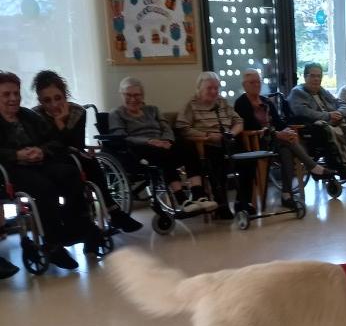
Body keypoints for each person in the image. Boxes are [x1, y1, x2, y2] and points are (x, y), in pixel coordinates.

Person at [0, 70, 103, 270]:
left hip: (40, 163)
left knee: (70, 173)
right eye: (6, 94)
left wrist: (42, 150)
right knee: (44, 187)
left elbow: (55, 141)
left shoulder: (28, 116)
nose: (13, 98)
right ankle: (53, 243)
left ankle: (75, 225)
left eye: (16, 93)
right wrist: (17, 155)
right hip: (12, 170)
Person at [31, 70, 142, 234]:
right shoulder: (34, 116)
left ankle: (111, 210)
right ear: (40, 101)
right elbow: (51, 147)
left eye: (58, 98)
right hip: (50, 161)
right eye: (47, 100)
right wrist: (59, 122)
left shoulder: (77, 112)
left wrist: (60, 125)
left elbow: (75, 144)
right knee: (78, 162)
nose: (54, 104)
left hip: (72, 156)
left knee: (90, 160)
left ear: (65, 95)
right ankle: (101, 215)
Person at [109, 77, 215, 214]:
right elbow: (122, 137)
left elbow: (166, 128)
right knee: (162, 153)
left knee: (189, 146)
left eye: (137, 95)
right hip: (138, 149)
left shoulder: (153, 110)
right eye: (128, 95)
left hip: (162, 143)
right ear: (121, 95)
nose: (133, 99)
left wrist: (166, 140)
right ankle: (182, 199)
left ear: (143, 96)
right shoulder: (116, 113)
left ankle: (198, 195)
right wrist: (149, 141)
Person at [233, 69, 331, 210]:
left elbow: (279, 123)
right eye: (252, 82)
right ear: (244, 85)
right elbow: (250, 126)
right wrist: (277, 134)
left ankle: (287, 194)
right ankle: (311, 168)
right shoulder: (241, 103)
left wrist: (286, 131)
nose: (256, 85)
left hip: (275, 141)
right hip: (256, 142)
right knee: (286, 142)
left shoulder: (266, 101)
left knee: (286, 147)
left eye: (258, 82)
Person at [289, 63, 346, 188]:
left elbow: (340, 103)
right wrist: (328, 116)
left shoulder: (322, 91)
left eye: (319, 76)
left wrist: (338, 113)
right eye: (313, 76)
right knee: (331, 131)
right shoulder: (297, 93)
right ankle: (342, 167)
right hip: (313, 130)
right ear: (305, 76)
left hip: (332, 123)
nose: (316, 79)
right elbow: (304, 112)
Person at [176, 71, 250, 218]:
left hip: (227, 141)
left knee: (247, 160)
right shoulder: (191, 105)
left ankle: (242, 202)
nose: (214, 91)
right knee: (218, 161)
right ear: (199, 88)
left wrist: (231, 134)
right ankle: (221, 205)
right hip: (206, 145)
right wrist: (207, 136)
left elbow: (239, 121)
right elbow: (182, 128)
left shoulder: (222, 102)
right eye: (209, 88)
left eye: (216, 88)